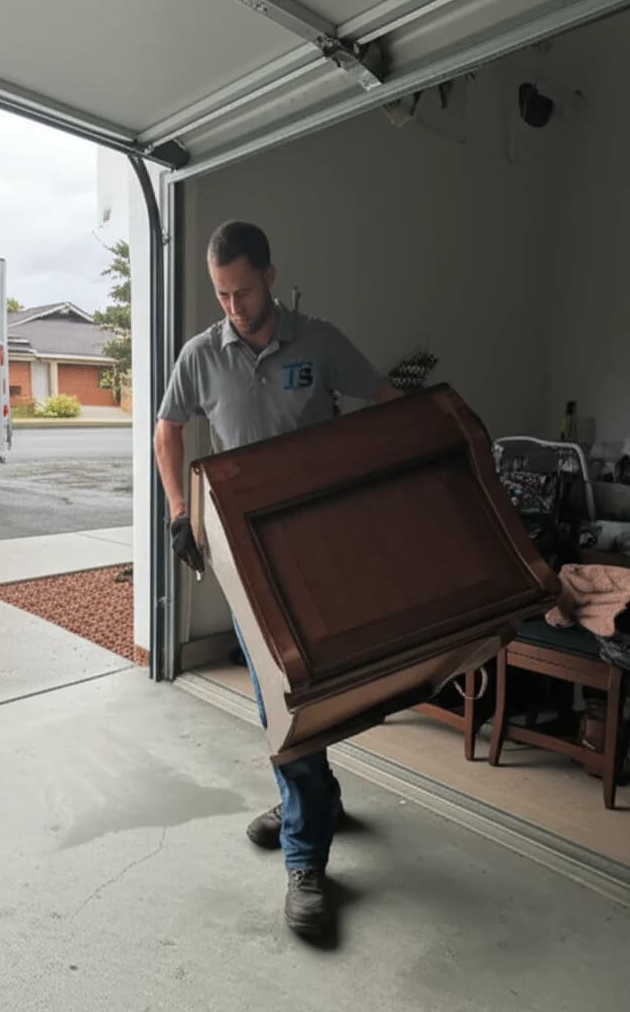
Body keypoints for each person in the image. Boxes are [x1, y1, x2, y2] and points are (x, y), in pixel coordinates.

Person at [154, 221, 401, 940]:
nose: (233, 306)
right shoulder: (202, 355)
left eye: (244, 290)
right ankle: (310, 804)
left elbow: (385, 401)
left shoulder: (319, 343)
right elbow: (168, 429)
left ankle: (305, 855)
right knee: (276, 695)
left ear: (270, 274)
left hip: (320, 549)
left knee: (300, 691)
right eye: (222, 295)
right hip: (244, 553)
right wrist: (179, 511)